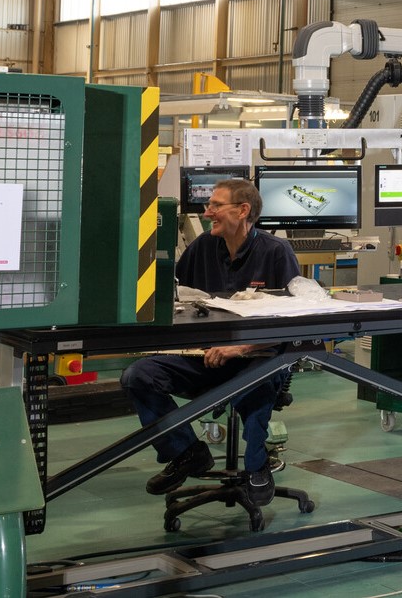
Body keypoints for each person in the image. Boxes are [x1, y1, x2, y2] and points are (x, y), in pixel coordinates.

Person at [121, 177, 300, 506]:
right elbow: (178, 299)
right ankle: (187, 451)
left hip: (257, 357)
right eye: (209, 206)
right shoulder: (202, 248)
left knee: (256, 385)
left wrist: (241, 348)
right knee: (139, 375)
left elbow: (292, 320)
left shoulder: (276, 252)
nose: (207, 213)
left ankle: (258, 468)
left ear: (243, 210)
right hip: (205, 357)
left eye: (216, 206)